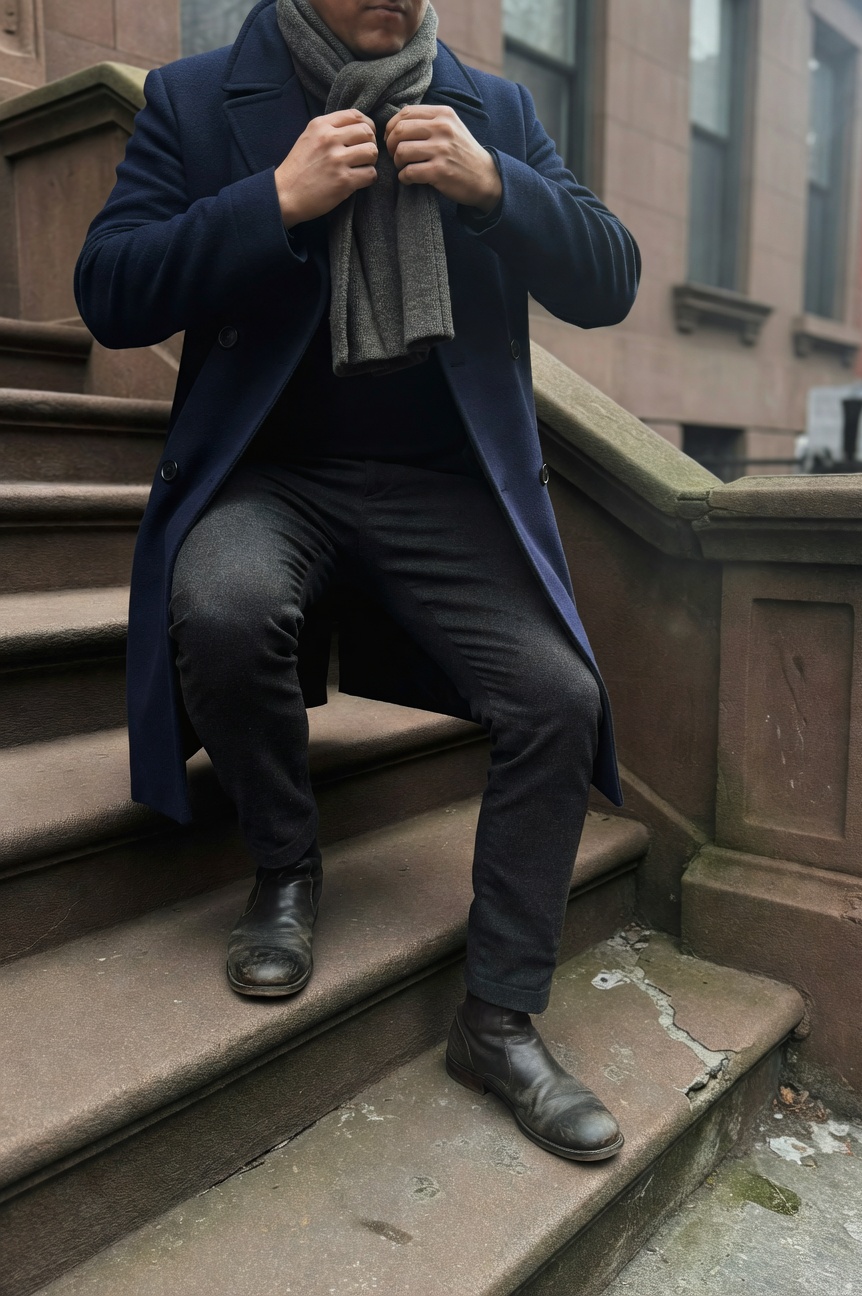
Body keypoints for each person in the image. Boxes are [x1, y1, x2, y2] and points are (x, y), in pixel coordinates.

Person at [75, 0, 640, 1163]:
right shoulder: (198, 100)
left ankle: (499, 1015)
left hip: (441, 489)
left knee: (559, 699)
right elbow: (109, 289)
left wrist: (497, 191)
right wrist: (270, 202)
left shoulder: (496, 109)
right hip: (269, 474)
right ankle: (285, 868)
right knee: (223, 605)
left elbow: (610, 278)